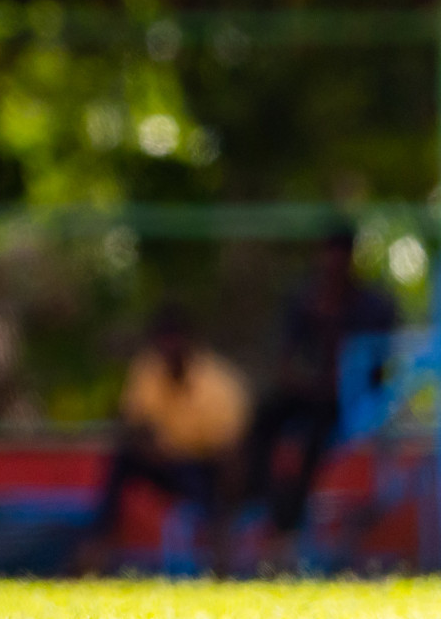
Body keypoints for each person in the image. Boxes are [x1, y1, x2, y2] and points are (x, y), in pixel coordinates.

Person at [244, 228, 396, 552]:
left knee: (314, 439)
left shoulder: (373, 307)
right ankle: (261, 503)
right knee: (263, 420)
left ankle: (288, 523)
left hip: (347, 402)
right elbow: (285, 360)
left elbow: (378, 369)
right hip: (309, 393)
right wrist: (305, 382)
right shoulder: (304, 301)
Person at [88, 307, 250, 571]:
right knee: (121, 462)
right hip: (163, 463)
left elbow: (230, 452)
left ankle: (220, 560)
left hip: (205, 467)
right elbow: (133, 424)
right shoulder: (148, 370)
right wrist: (149, 448)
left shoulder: (218, 383)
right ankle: (95, 550)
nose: (168, 348)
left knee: (211, 491)